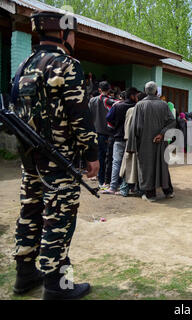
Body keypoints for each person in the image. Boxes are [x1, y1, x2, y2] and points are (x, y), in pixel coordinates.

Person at [11, 11, 99, 299]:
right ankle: (57, 286)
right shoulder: (66, 65)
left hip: (30, 161)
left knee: (30, 213)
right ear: (63, 35)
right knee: (59, 221)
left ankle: (24, 275)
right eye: (73, 34)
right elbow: (80, 117)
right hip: (60, 162)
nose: (75, 39)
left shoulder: (24, 65)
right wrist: (92, 154)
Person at [126, 82, 176, 202]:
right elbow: (172, 121)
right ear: (156, 92)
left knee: (146, 168)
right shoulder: (163, 105)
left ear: (145, 91)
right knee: (162, 167)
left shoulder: (140, 105)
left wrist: (132, 145)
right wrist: (162, 134)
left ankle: (150, 195)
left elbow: (135, 127)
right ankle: (168, 191)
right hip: (161, 142)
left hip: (144, 143)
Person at [103, 87, 139, 195]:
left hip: (118, 137)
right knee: (130, 164)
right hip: (132, 140)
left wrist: (116, 126)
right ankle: (129, 187)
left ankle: (113, 187)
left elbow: (108, 118)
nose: (137, 98)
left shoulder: (117, 106)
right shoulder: (136, 107)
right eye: (136, 95)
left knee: (116, 163)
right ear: (132, 96)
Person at [89, 80, 117, 188]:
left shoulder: (92, 101)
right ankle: (106, 181)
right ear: (109, 89)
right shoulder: (110, 101)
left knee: (99, 157)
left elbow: (89, 116)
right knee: (108, 159)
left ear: (99, 89)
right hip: (107, 133)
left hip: (96, 132)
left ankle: (101, 181)